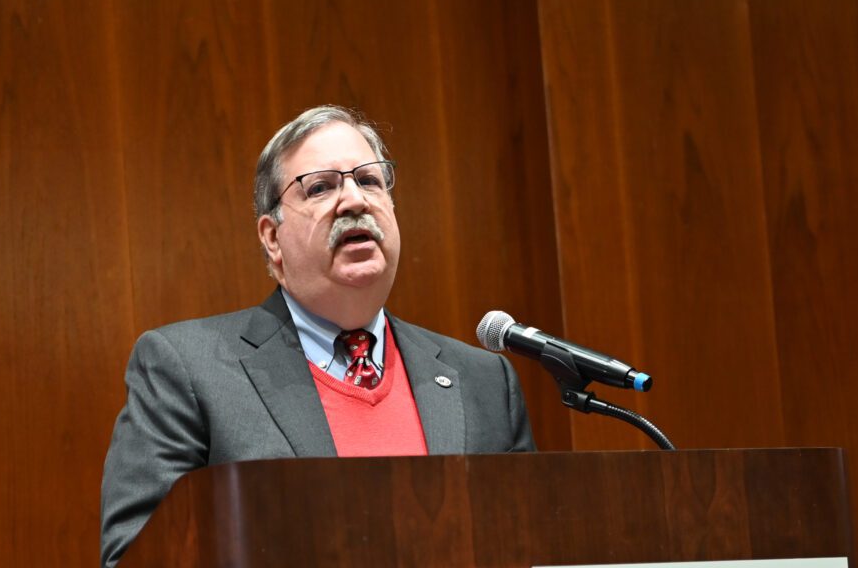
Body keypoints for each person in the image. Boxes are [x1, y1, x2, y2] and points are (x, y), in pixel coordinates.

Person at [100, 105, 535, 567]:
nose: (354, 201)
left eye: (369, 181)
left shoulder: (485, 381)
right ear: (272, 237)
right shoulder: (187, 369)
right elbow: (137, 557)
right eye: (321, 187)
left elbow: (533, 547)